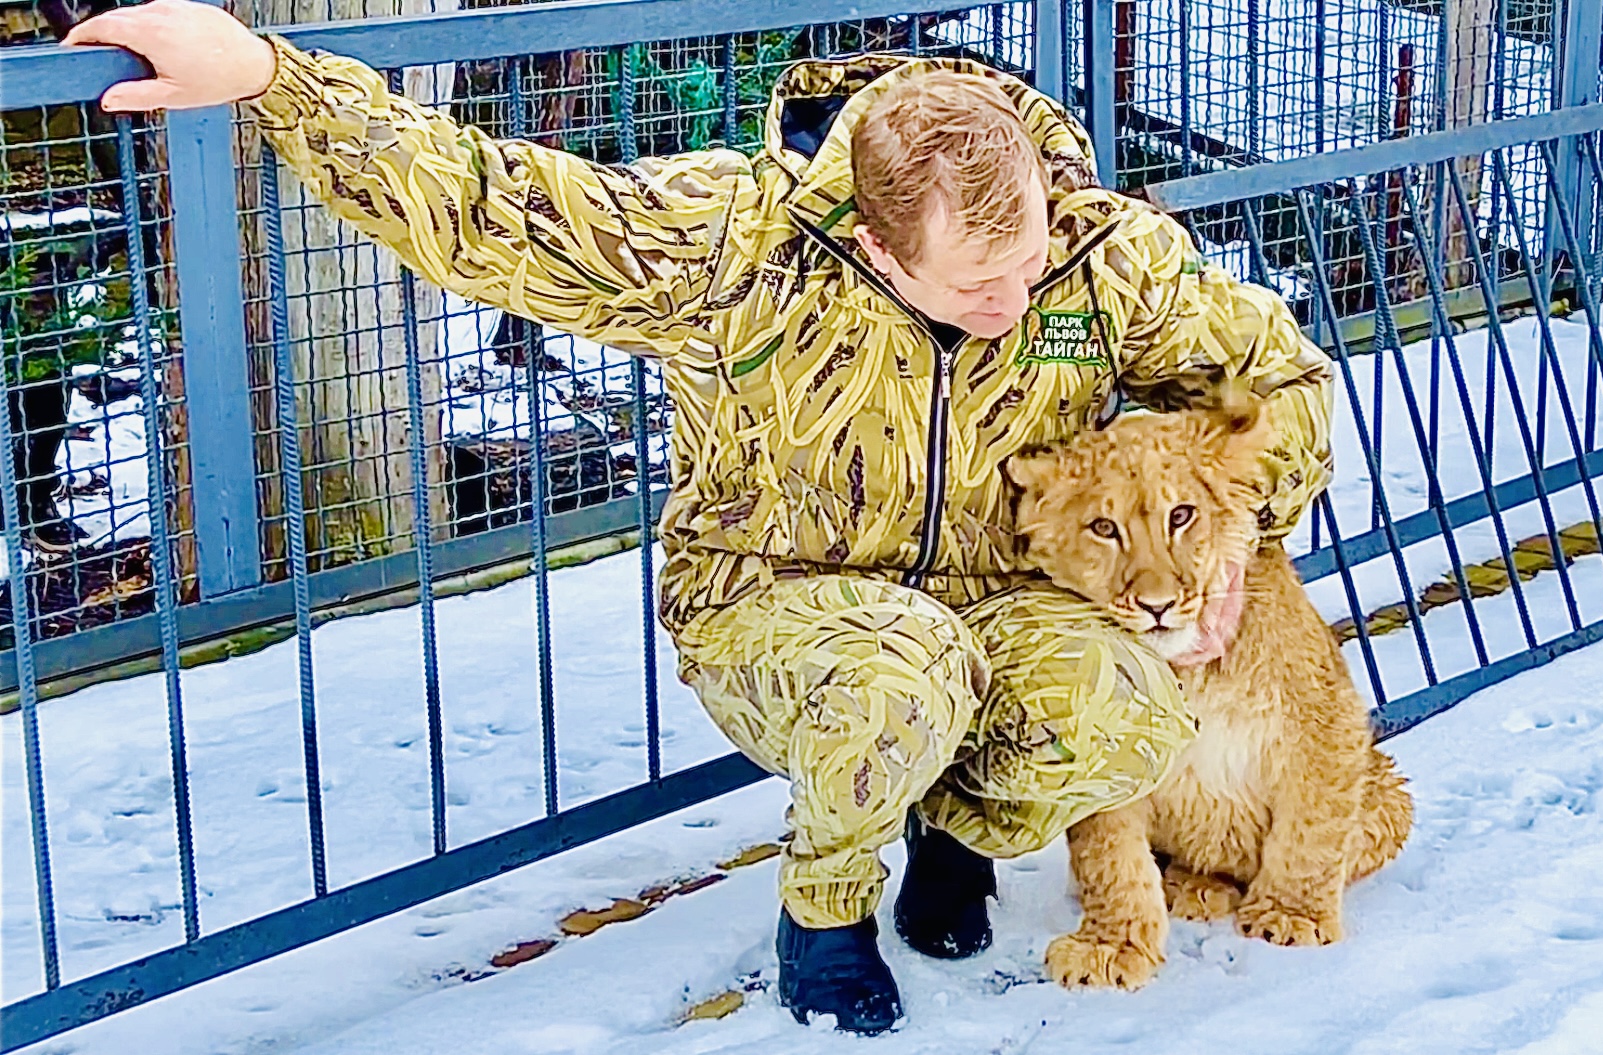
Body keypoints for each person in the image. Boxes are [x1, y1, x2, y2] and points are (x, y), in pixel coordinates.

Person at [68, 0, 1337, 1034]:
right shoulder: (741, 243)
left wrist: (1240, 529)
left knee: (1122, 703)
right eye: (979, 282)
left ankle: (958, 828)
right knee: (907, 672)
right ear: (880, 247)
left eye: (1029, 263)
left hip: (998, 600)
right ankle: (827, 909)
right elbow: (492, 203)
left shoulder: (1095, 253)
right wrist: (272, 76)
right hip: (781, 601)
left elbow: (1277, 390)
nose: (1017, 292)